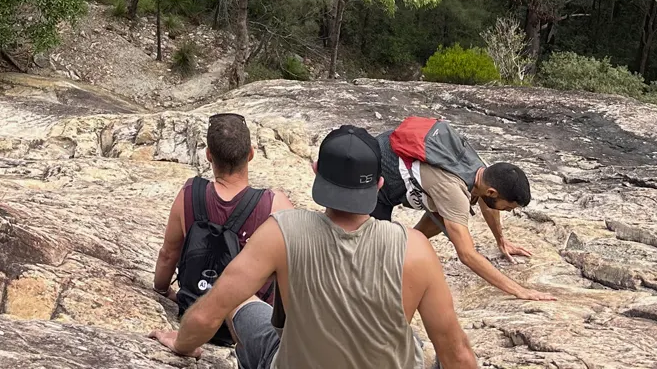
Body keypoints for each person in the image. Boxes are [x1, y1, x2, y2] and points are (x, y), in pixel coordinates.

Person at [151, 125, 480, 369]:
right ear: (379, 185)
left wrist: (180, 344)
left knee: (241, 305)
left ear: (315, 172)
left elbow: (210, 312)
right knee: (425, 346)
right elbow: (458, 356)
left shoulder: (282, 231)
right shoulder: (415, 247)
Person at [375, 115, 555, 302]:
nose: (507, 211)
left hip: (392, 151)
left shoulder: (483, 171)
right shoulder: (454, 192)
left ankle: (406, 245)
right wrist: (520, 291)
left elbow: (489, 205)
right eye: (508, 208)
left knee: (446, 217)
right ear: (492, 192)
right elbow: (467, 254)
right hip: (376, 179)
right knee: (376, 255)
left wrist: (501, 241)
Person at [154, 112, 293, 345]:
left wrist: (161, 291)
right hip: (245, 325)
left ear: (208, 155)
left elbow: (168, 254)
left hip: (192, 308)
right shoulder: (274, 204)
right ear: (251, 154)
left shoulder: (189, 193)